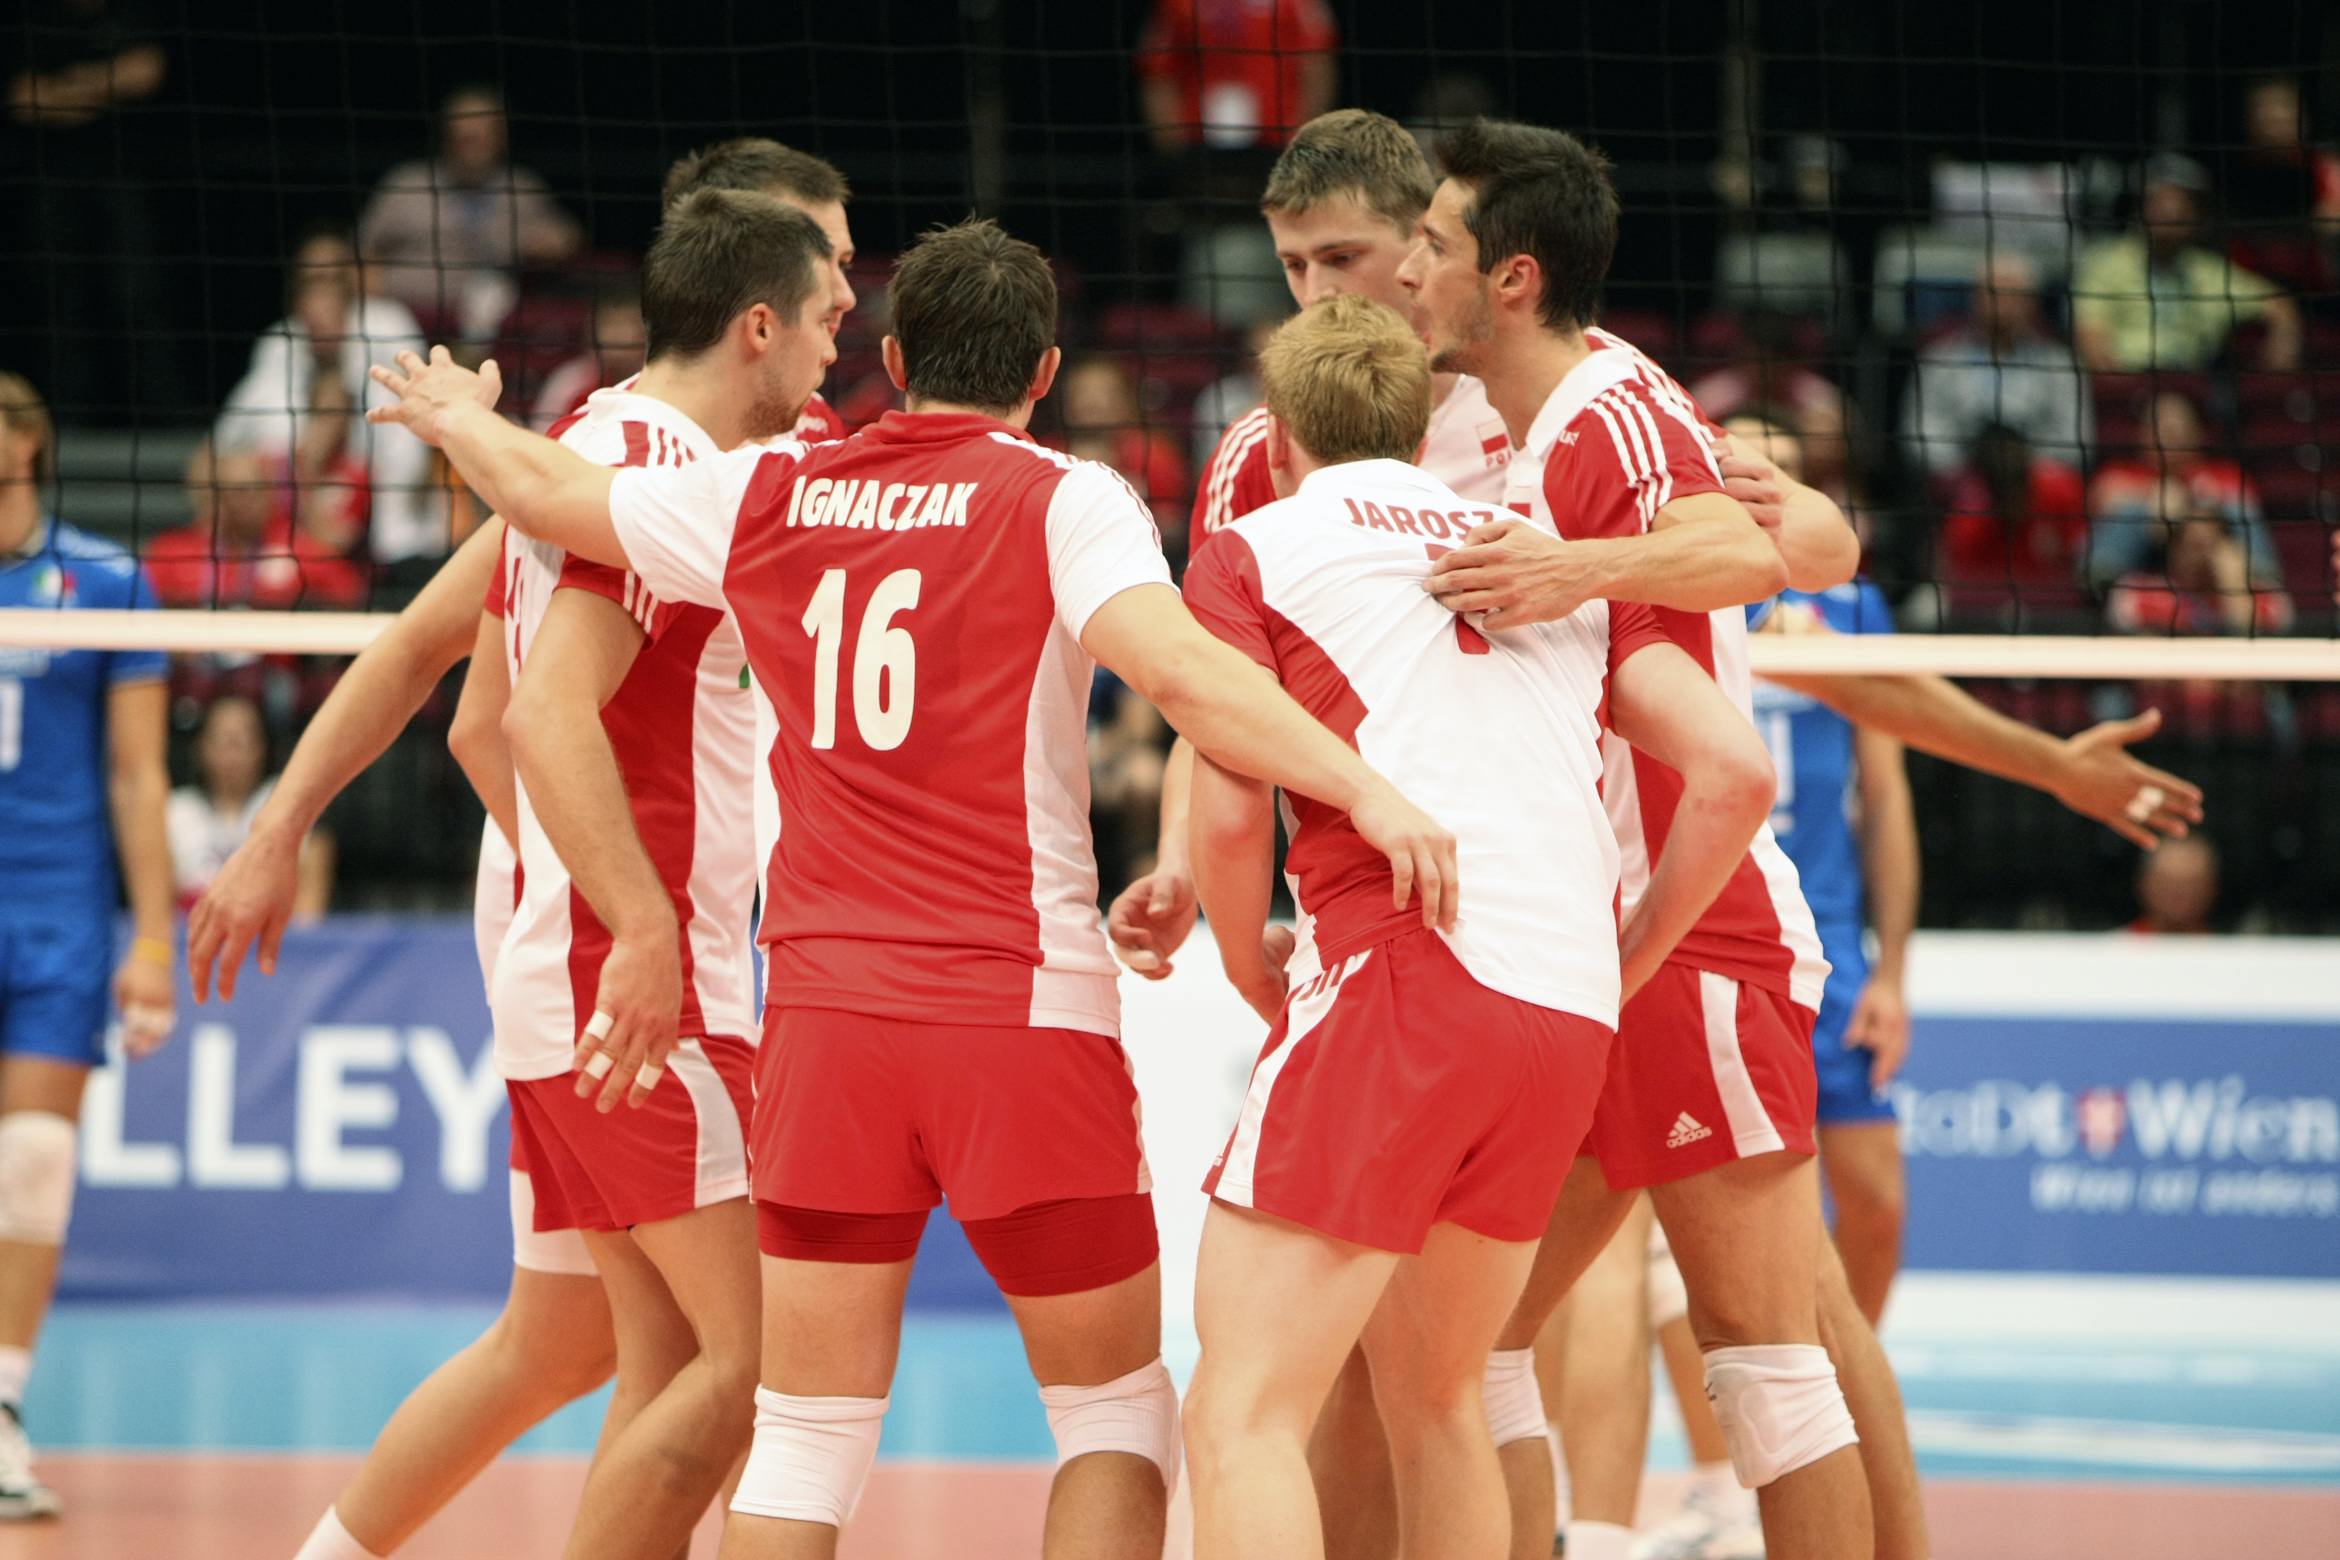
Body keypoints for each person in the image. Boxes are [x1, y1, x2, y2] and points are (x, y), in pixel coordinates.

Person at [369, 214, 1459, 1560]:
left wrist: (452, 418)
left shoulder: (771, 486)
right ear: (1044, 372)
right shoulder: (1065, 498)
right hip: (1019, 1015)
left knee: (806, 1434)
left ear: (889, 359)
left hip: (826, 1024)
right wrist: (1363, 788)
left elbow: (550, 498)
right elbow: (1185, 676)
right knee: (1114, 1414)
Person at [195, 137, 870, 1560]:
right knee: (752, 1369)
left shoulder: (606, 453)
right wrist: (625, 913)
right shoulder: (641, 470)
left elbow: (465, 699)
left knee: (598, 1348)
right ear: (754, 297)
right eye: (831, 278)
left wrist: (293, 832)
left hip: (585, 957)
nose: (848, 310)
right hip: (630, 970)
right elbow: (513, 713)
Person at [1176, 293, 1779, 1560]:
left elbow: (1226, 815)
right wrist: (1625, 967)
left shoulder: (1255, 547)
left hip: (1404, 970)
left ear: (1276, 437)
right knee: (1443, 1399)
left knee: (1241, 1415)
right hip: (1561, 1016)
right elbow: (1734, 775)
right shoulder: (1544, 558)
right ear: (1421, 427)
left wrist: (1244, 967)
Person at [1400, 118, 1873, 1560]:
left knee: (1770, 1366)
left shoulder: (1606, 411)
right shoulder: (1551, 421)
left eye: (1432, 246)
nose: (1407, 272)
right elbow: (1806, 541)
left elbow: (1756, 553)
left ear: (1514, 278)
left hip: (1691, 935)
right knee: (1466, 1344)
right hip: (1586, 945)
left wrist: (1569, 567)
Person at [0, 369, 175, 1520]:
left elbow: (138, 774)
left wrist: (153, 939)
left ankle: (1, 1407)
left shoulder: (105, 578)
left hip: (56, 911)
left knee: (32, 1160)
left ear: (29, 444)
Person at [1735, 414, 1918, 1333]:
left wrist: (1893, 974)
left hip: (1830, 943)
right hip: (1719, 932)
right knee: (1752, 1221)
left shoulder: (1851, 608)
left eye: (1784, 466)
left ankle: (1847, 1378)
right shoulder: (1675, 592)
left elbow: (1884, 796)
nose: (1762, 479)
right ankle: (1743, 1419)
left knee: (1876, 1202)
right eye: (1744, 461)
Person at [214, 230, 440, 567]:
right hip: (301, 527)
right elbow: (222, 445)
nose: (320, 292)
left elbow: (421, 428)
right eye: (312, 280)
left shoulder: (386, 325)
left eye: (332, 277)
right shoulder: (279, 345)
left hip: (399, 535)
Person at [358, 85, 583, 343]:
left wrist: (553, 243)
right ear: (447, 134)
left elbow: (566, 237)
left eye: (482, 132)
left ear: (501, 137)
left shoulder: (521, 188)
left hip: (495, 332)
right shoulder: (407, 183)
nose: (472, 140)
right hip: (406, 323)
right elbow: (361, 252)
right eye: (465, 133)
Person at [2071, 155, 2302, 374]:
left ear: (2197, 217)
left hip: (2194, 384)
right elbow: (2090, 340)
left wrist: (2282, 347)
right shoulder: (2105, 263)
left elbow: (2279, 304)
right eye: (2159, 203)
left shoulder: (2208, 270)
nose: (2170, 212)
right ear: (2141, 208)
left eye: (2181, 206)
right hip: (2127, 382)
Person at [1901, 253, 2092, 478]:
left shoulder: (2060, 364)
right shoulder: (1938, 359)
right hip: (1961, 479)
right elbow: (1919, 431)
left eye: (2011, 294)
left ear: (2031, 302)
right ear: (1974, 299)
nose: (2001, 304)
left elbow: (2075, 437)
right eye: (1992, 293)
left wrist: (2022, 468)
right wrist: (1962, 470)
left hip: (2035, 481)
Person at [2084, 387, 2279, 591]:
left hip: (2212, 561)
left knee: (2236, 511)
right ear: (2143, 434)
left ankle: (2260, 577)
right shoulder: (2118, 472)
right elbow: (2103, 505)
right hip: (2144, 558)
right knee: (2131, 513)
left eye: (2179, 426)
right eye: (2162, 425)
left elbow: (2246, 504)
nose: (2171, 433)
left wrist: (2185, 505)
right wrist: (2153, 502)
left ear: (2197, 433)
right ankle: (2101, 578)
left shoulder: (2225, 472)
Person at [145, 442, 369, 611]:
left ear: (270, 493)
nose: (241, 501)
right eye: (231, 491)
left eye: (252, 489)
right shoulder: (173, 551)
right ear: (215, 496)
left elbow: (351, 598)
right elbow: (143, 612)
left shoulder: (299, 549)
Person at [164, 694, 333, 915]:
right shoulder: (175, 810)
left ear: (262, 746)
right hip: (190, 929)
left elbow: (311, 902)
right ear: (200, 747)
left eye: (242, 740)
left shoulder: (290, 799)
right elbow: (158, 901)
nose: (232, 753)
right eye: (222, 740)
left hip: (277, 930)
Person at [530, 286, 647, 431]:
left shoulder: (661, 380)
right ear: (591, 330)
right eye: (610, 325)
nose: (619, 335)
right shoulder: (570, 382)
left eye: (628, 324)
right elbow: (543, 435)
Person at [2126, 835, 2219, 935]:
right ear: (2144, 884)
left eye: (2191, 884)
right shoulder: (2115, 943)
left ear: (2211, 887)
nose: (2179, 892)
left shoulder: (2228, 943)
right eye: (2166, 883)